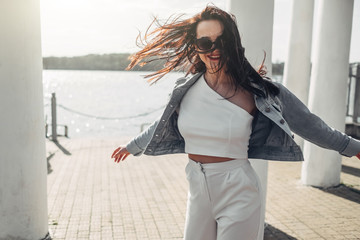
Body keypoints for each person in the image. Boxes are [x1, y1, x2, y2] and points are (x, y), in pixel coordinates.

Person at [111, 5, 360, 240]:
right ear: (196, 47)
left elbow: (309, 124)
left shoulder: (260, 92)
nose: (214, 49)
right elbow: (162, 123)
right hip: (196, 189)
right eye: (205, 42)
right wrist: (132, 146)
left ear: (233, 44)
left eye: (222, 41)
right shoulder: (185, 90)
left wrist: (353, 147)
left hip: (238, 190)